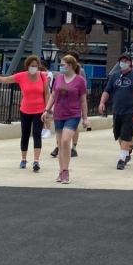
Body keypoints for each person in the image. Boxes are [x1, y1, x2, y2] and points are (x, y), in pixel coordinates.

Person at [0, 54, 49, 172]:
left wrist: (47, 109)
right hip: (25, 109)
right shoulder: (21, 76)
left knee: (37, 133)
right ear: (27, 66)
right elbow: (4, 80)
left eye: (36, 66)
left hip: (39, 109)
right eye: (32, 66)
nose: (34, 68)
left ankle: (36, 160)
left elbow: (47, 93)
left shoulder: (42, 76)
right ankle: (23, 158)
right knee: (25, 134)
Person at [42, 55, 88, 184]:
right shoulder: (59, 78)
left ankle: (66, 170)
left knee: (66, 140)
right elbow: (53, 95)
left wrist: (85, 118)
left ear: (71, 65)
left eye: (62, 65)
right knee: (60, 143)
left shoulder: (80, 80)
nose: (61, 67)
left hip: (73, 114)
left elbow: (83, 101)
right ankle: (61, 170)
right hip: (59, 114)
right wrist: (47, 109)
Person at [99, 52, 133, 170]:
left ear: (130, 63)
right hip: (117, 109)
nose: (123, 63)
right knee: (118, 134)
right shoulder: (114, 75)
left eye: (126, 61)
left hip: (130, 110)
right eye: (122, 61)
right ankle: (127, 150)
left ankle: (121, 159)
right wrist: (102, 102)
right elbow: (107, 90)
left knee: (125, 134)